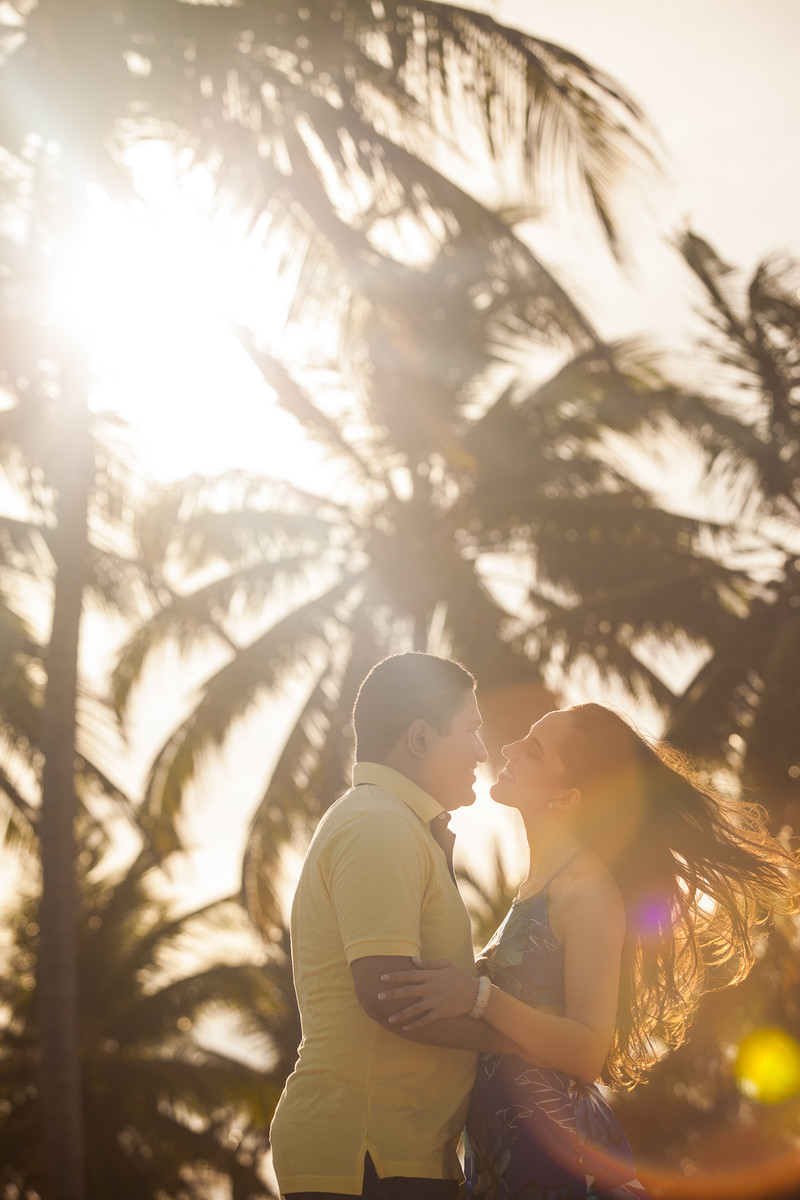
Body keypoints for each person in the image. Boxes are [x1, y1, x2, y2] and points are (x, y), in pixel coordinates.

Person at [380, 702, 797, 1199]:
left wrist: (477, 996)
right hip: (506, 1159)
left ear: (565, 796)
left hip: (559, 1161)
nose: (509, 748)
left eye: (532, 751)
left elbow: (585, 1051)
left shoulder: (586, 891)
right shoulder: (539, 886)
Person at [270, 652, 531, 1199]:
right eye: (472, 730)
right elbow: (393, 997)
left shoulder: (397, 825)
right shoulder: (378, 826)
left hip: (394, 1151)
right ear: (419, 739)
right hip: (365, 1152)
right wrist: (529, 1040)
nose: (482, 751)